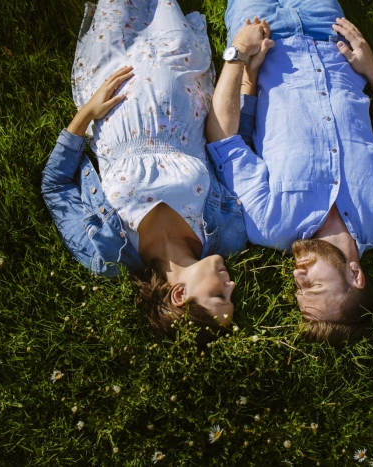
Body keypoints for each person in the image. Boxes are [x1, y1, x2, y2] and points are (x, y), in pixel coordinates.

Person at [205, 0, 373, 345]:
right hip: (331, 34)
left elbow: (223, 139)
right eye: (314, 285)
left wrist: (238, 54)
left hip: (264, 36)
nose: (298, 275)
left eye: (299, 288)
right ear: (355, 275)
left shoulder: (269, 223)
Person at [41, 0, 248, 346]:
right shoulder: (228, 233)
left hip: (112, 73)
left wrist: (87, 113)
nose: (232, 286)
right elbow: (232, 151)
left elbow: (55, 186)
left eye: (221, 297)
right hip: (179, 69)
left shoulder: (106, 252)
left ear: (180, 296)